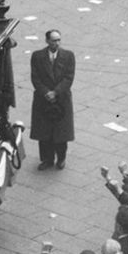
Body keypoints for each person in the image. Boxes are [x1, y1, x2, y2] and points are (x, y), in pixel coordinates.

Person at [30, 30, 76, 170]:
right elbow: (35, 77)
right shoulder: (37, 56)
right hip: (43, 100)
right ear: (47, 41)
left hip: (61, 99)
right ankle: (47, 159)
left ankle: (61, 158)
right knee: (44, 133)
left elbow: (69, 77)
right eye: (54, 40)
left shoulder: (68, 56)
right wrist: (46, 92)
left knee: (61, 133)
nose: (57, 43)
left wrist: (55, 92)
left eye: (58, 40)